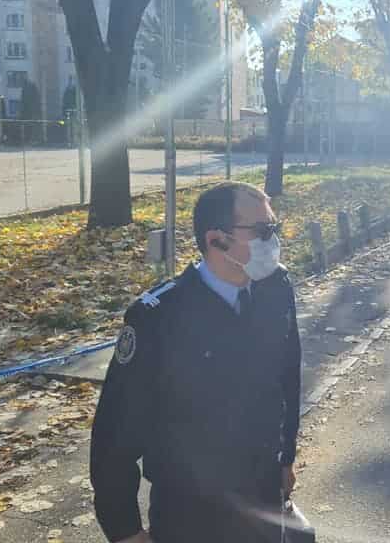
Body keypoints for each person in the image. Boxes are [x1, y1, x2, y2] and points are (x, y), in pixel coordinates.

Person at [91, 182, 301, 543]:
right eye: (263, 231)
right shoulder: (159, 317)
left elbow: (287, 375)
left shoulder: (275, 287)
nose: (274, 240)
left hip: (263, 496)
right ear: (217, 239)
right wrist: (124, 528)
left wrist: (285, 457)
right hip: (192, 512)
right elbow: (115, 433)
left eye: (275, 229)